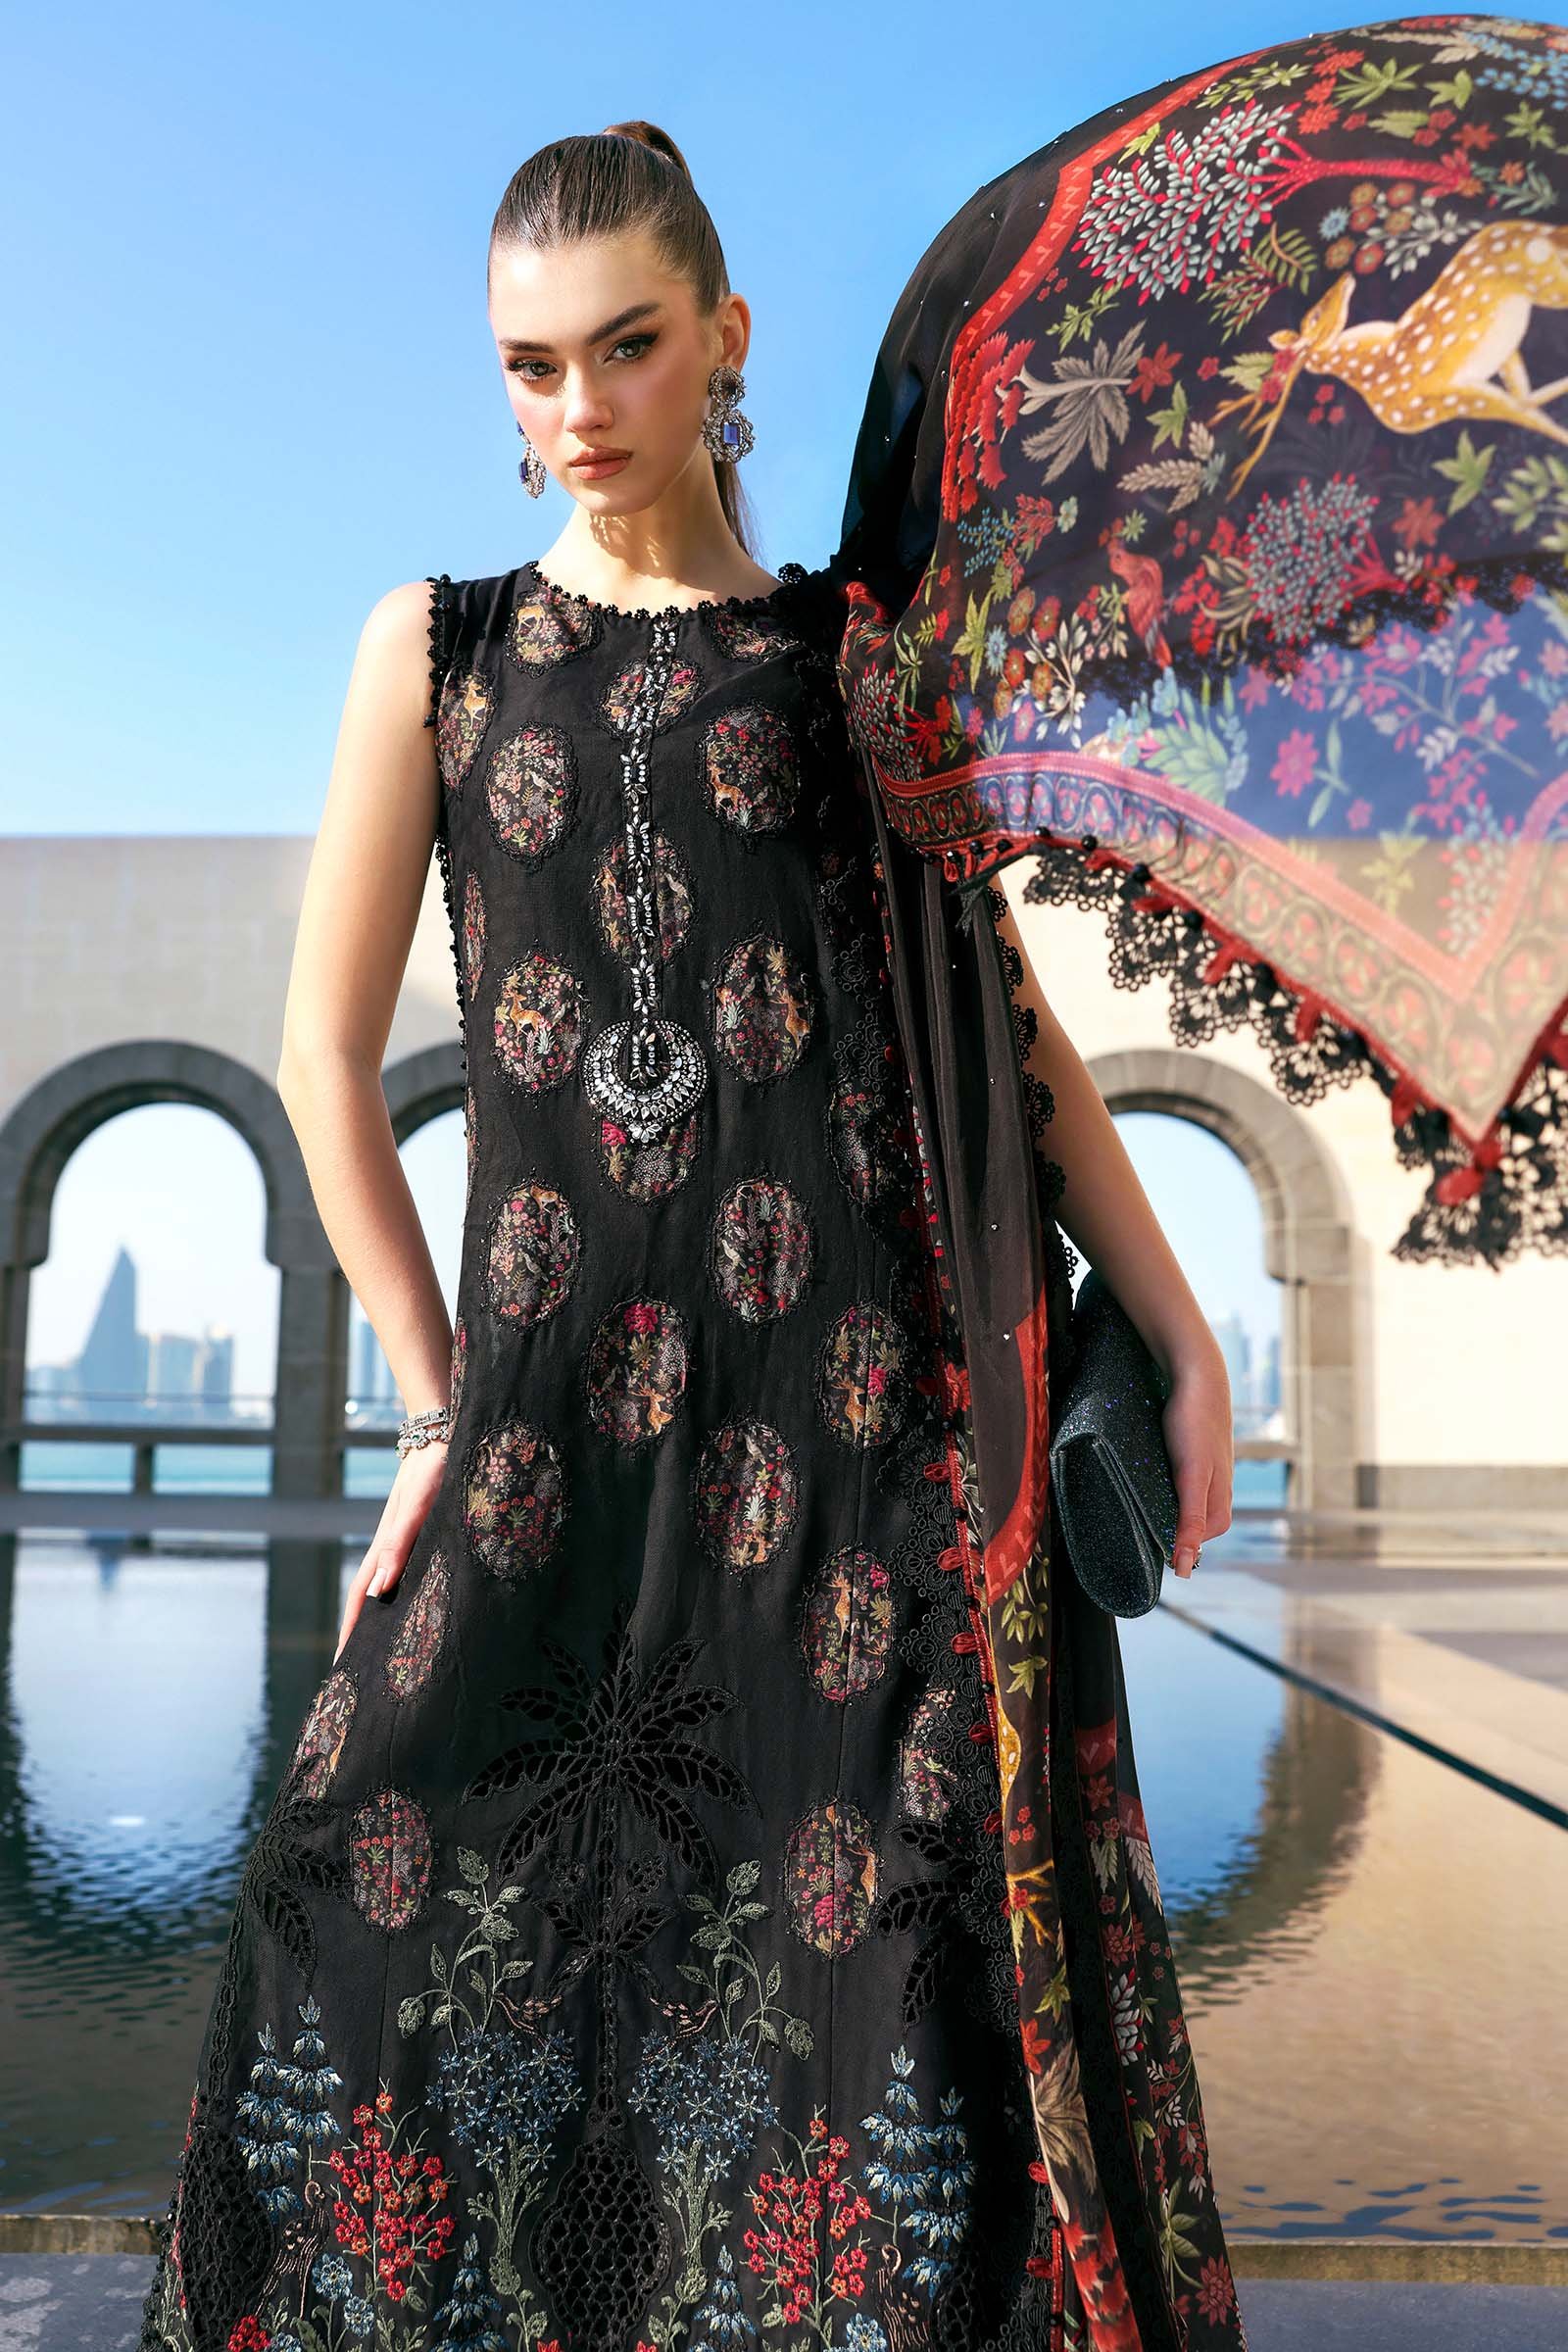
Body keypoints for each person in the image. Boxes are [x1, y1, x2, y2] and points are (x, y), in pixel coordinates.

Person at [137, 121, 1243, 2352]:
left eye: (626, 347)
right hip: (548, 1436)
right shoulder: (436, 653)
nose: (578, 408)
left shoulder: (853, 660)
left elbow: (1002, 1026)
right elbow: (323, 1060)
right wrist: (435, 1410)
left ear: (725, 336)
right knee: (358, 1885)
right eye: (530, 365)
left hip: (852, 1455)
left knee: (875, 2018)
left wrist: (1179, 1327)